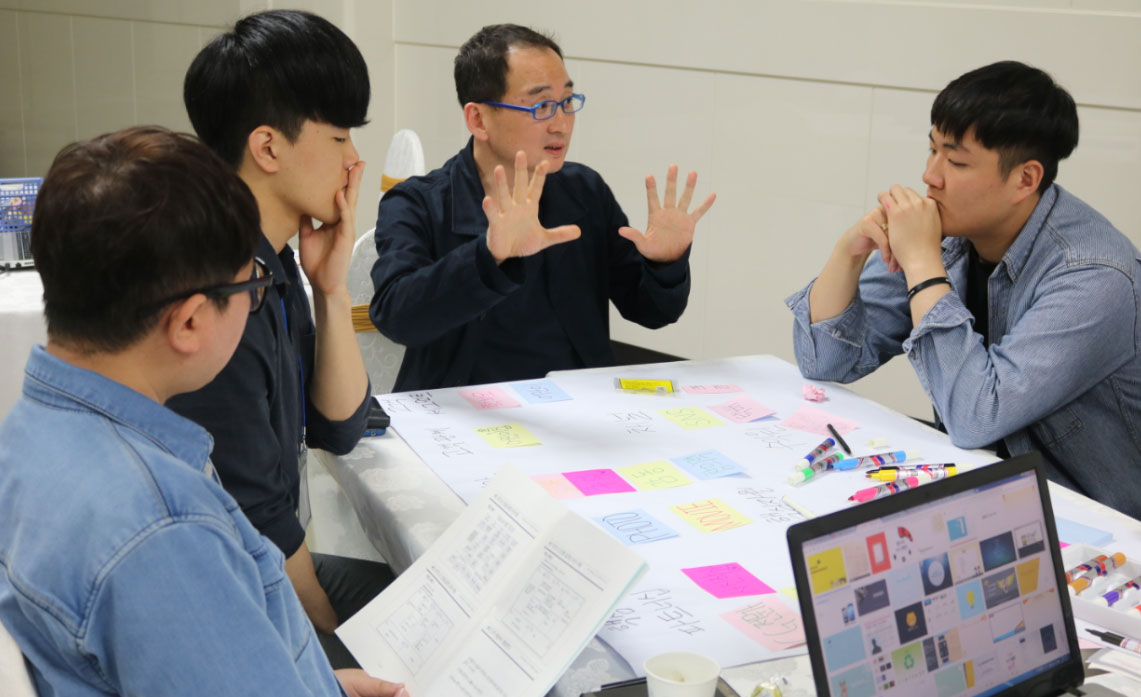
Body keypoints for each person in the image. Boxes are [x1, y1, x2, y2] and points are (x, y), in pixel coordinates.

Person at [0, 126, 404, 696]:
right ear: (189, 322)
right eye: (254, 283)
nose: (259, 293)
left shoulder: (31, 428)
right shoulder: (163, 528)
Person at [787, 60, 1141, 517]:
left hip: (1097, 521)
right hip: (987, 494)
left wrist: (921, 264)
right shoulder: (951, 234)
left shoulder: (1094, 275)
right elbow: (823, 361)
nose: (930, 176)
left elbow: (977, 416)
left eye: (956, 161)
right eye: (932, 149)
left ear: (1025, 179)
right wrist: (848, 252)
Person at [169, 10, 391, 668]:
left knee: (435, 595)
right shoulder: (221, 295)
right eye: (339, 136)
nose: (353, 161)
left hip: (264, 559)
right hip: (229, 589)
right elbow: (254, 515)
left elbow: (338, 426)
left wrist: (331, 288)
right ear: (267, 148)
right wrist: (331, 641)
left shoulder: (274, 261)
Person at [369, 24, 716, 391]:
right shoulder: (416, 203)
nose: (561, 124)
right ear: (478, 119)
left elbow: (652, 311)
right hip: (462, 410)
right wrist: (488, 256)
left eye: (566, 102)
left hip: (578, 405)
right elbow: (397, 319)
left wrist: (666, 264)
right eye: (541, 106)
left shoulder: (585, 191)